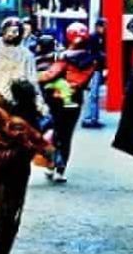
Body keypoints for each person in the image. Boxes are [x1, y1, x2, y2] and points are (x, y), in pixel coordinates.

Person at [37, 23, 99, 184]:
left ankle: (51, 164)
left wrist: (34, 76)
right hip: (75, 99)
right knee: (67, 134)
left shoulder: (64, 57)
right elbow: (84, 80)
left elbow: (49, 75)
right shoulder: (91, 59)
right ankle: (60, 169)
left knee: (53, 130)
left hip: (56, 99)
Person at [0, 16, 48, 126]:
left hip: (17, 100)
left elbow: (32, 80)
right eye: (8, 30)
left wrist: (39, 103)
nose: (10, 34)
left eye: (14, 31)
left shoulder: (26, 54)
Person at [81, 19, 107, 129]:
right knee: (93, 95)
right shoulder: (93, 38)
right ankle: (88, 118)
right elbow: (91, 54)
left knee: (95, 95)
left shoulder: (101, 38)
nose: (104, 29)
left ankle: (94, 118)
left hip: (98, 69)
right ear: (98, 26)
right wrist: (101, 56)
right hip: (93, 69)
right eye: (103, 26)